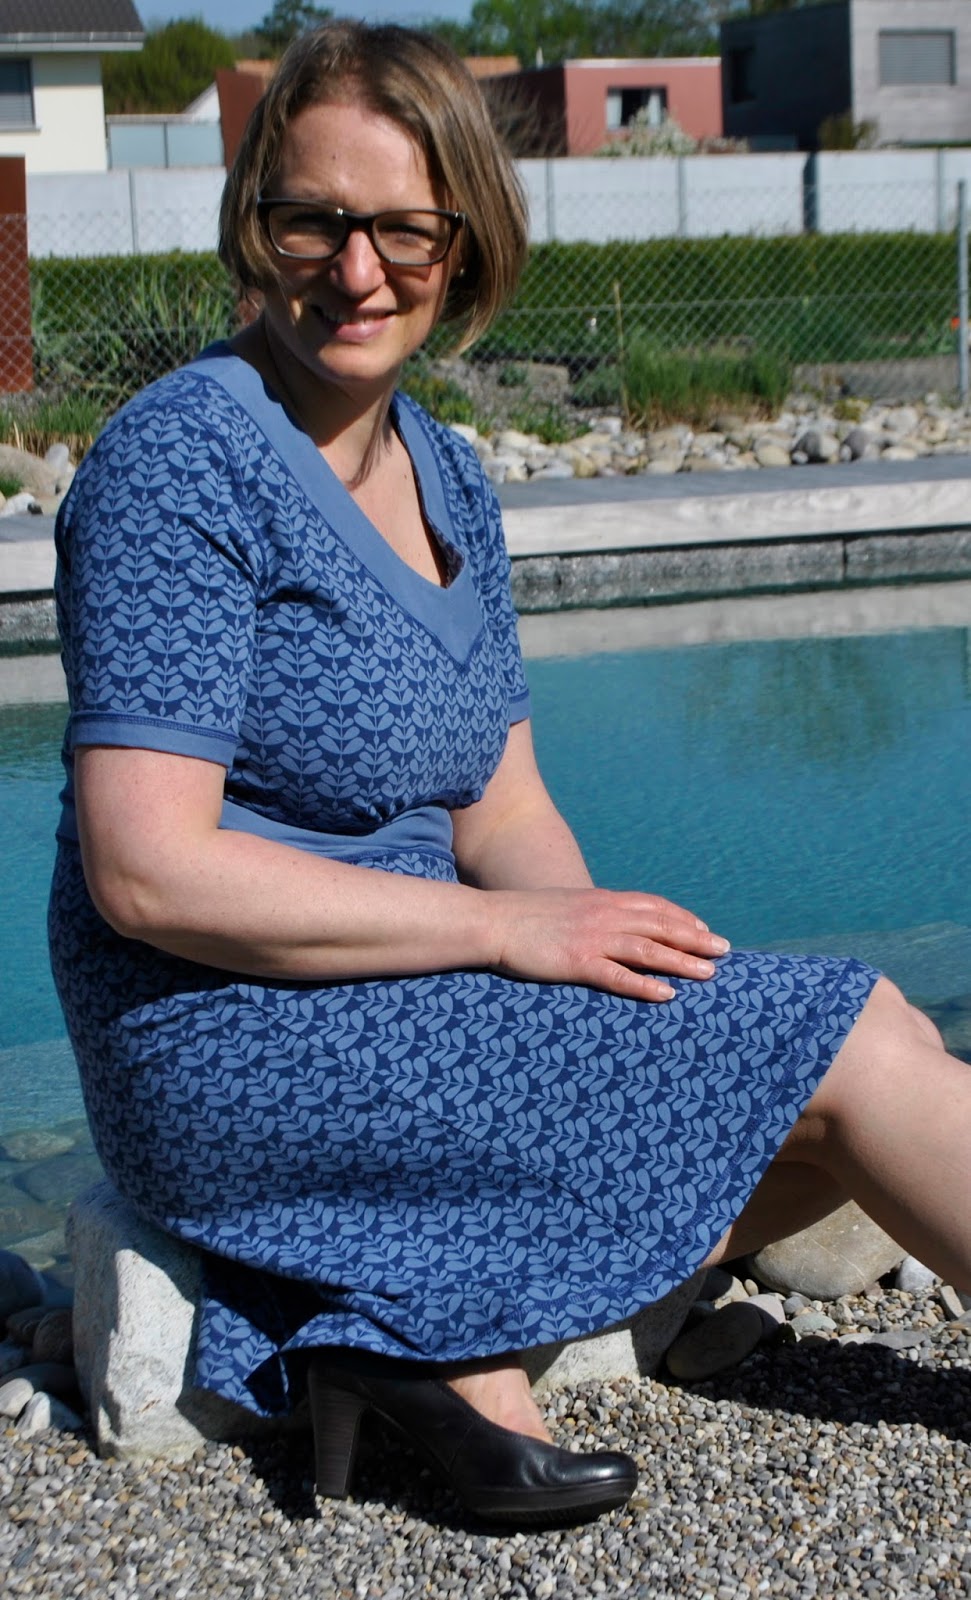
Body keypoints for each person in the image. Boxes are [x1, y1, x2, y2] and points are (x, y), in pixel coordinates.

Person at [49, 20, 971, 1531]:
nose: (357, 271)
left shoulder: (450, 473)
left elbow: (504, 803)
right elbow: (148, 872)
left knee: (813, 1067)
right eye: (312, 221)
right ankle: (414, 1324)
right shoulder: (183, 464)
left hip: (414, 988)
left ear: (464, 239)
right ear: (253, 223)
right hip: (225, 1026)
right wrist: (508, 934)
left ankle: (392, 1330)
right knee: (861, 1040)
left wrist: (606, 972)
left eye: (404, 229)